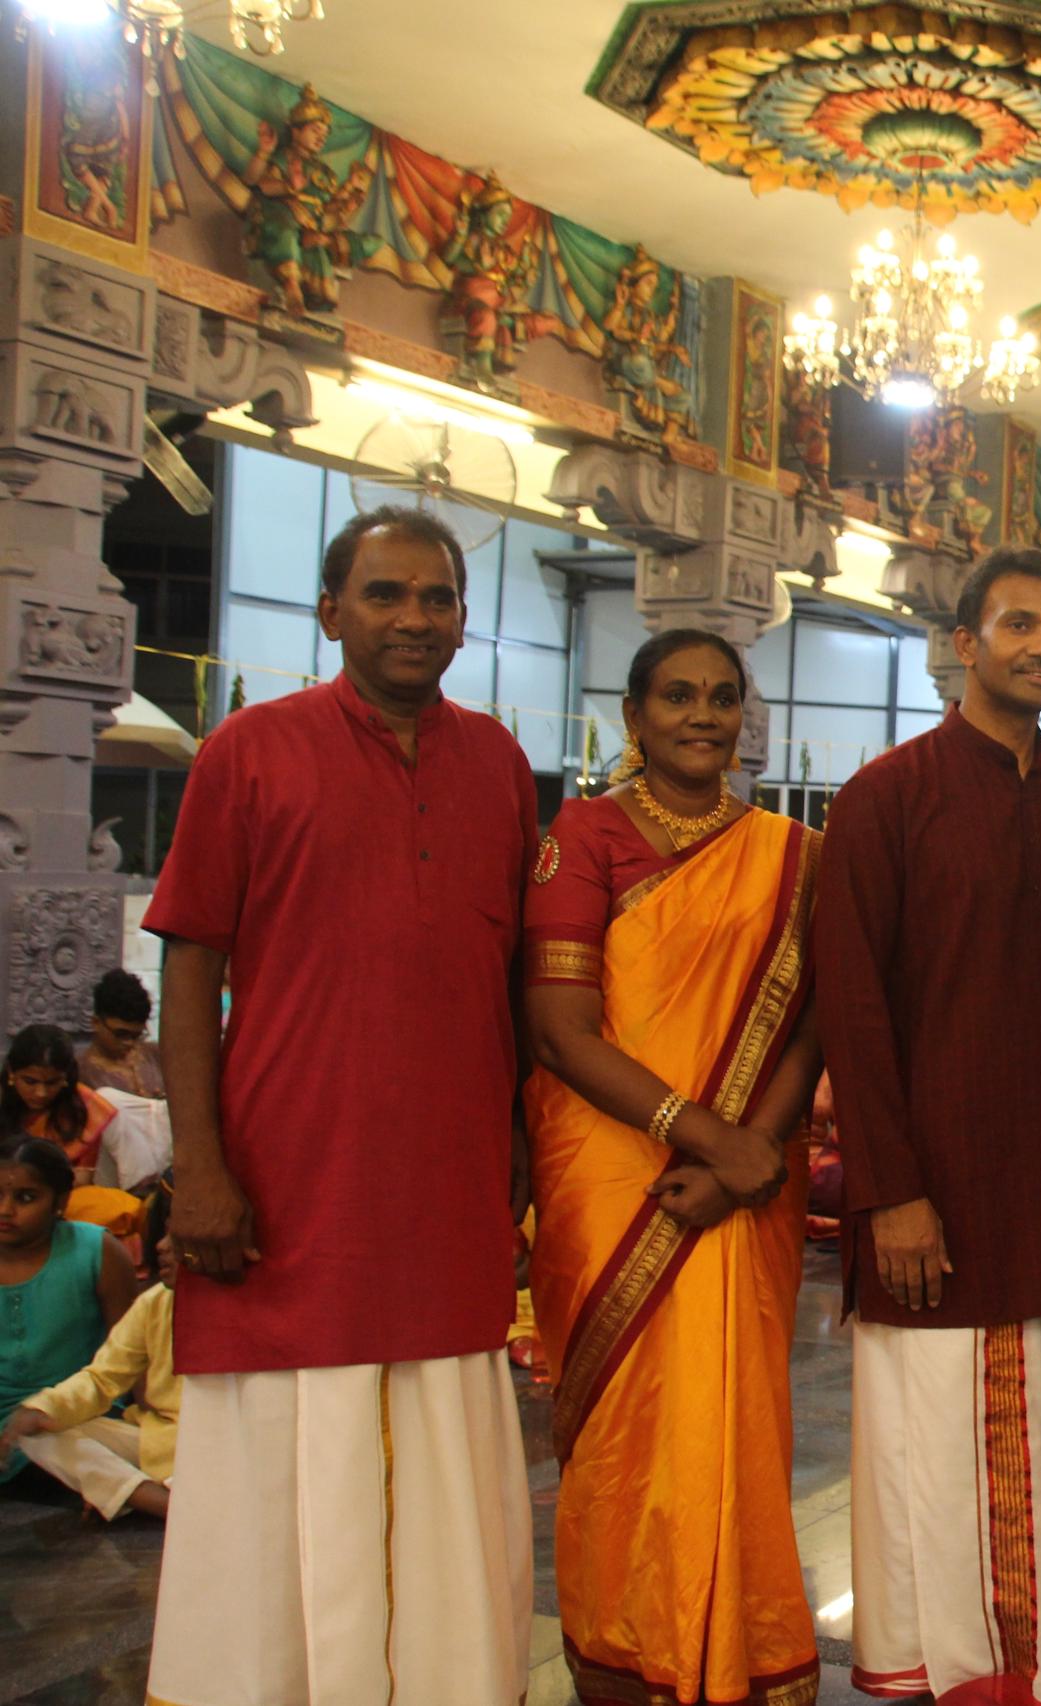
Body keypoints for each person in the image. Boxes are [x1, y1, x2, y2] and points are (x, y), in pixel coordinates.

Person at [143, 505, 538, 1706]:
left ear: (463, 620)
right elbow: (190, 961)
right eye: (385, 593)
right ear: (329, 612)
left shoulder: (498, 763)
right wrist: (200, 1166)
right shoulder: (250, 750)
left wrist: (519, 1143)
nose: (415, 617)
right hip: (288, 1180)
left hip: (447, 1185)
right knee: (287, 1448)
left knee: (447, 1445)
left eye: (438, 597)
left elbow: (514, 978)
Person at [814, 547, 1041, 1705]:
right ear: (964, 641)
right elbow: (850, 1005)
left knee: (1039, 1446)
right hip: (926, 1189)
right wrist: (890, 1189)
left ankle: (1018, 1670)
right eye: (1021, 624)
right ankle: (943, 1672)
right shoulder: (886, 796)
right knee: (925, 1451)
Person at [523, 626, 822, 1706]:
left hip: (746, 1175)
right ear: (634, 715)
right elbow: (560, 1029)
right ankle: (627, 1652)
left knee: (732, 1420)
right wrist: (705, 1136)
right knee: (627, 1426)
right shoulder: (582, 837)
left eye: (723, 697)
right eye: (678, 696)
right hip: (616, 1176)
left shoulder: (792, 853)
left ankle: (740, 1648)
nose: (703, 715)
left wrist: (751, 1154)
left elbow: (812, 1020)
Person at [3, 1183, 179, 1519]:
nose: (161, 1247)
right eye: (164, 1234)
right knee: (38, 1433)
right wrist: (42, 1408)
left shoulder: (246, 1306)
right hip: (158, 1440)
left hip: (221, 1448)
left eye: (178, 1240)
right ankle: (164, 1503)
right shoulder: (154, 1303)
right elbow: (102, 1379)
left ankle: (136, 1494)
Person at [0, 1136, 137, 1491]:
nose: (5, 1210)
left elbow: (131, 1358)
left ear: (60, 1201)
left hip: (77, 1417)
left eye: (25, 1198)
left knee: (63, 1444)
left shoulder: (97, 1251)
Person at [5, 1024, 116, 1184]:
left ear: (65, 1077)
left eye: (52, 1082)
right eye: (30, 1081)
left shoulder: (86, 1109)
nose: (41, 1093)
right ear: (11, 1072)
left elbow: (82, 1177)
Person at [77, 969, 166, 1099]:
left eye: (136, 1036)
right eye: (121, 1034)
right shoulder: (81, 1071)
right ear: (96, 1023)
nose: (129, 1043)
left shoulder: (157, 1055)